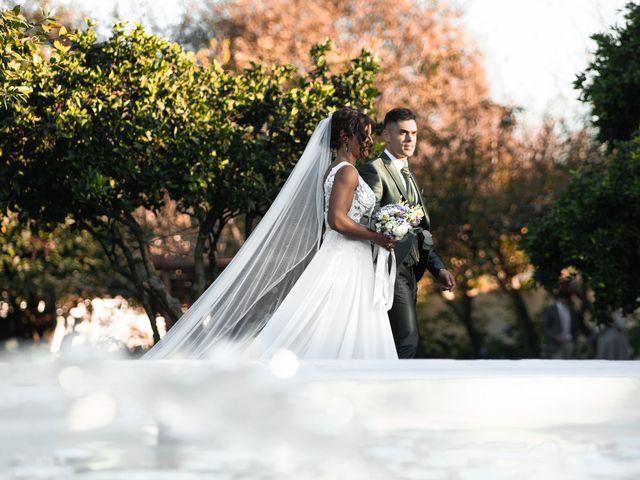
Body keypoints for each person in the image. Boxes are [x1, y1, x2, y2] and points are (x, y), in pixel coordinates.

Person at [144, 108, 398, 360]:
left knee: (339, 320)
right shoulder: (347, 171)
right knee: (339, 320)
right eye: (363, 135)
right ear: (344, 136)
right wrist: (375, 235)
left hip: (348, 255)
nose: (369, 141)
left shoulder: (336, 169)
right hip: (346, 257)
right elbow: (336, 220)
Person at [359, 108, 456, 358]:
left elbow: (420, 230)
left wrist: (439, 268)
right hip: (388, 268)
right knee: (407, 339)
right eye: (402, 132)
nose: (409, 139)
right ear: (386, 135)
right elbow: (368, 218)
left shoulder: (409, 175)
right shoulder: (374, 170)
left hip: (413, 270)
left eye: (413, 133)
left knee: (396, 340)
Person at [542, 281, 592, 359]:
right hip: (556, 344)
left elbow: (576, 324)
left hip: (570, 341)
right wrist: (555, 336)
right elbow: (546, 328)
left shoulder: (571, 310)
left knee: (570, 365)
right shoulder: (551, 310)